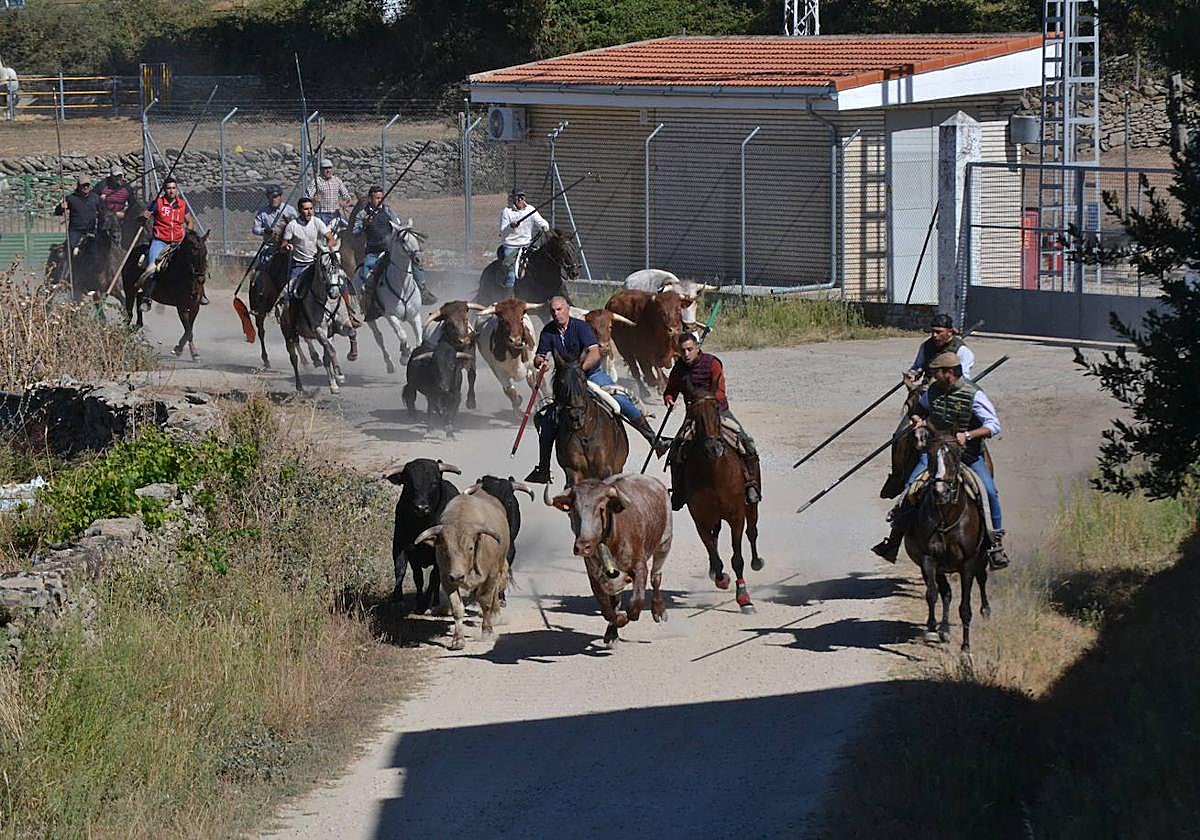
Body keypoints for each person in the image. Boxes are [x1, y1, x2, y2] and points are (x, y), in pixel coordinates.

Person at [871, 351, 1009, 569]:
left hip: (967, 454)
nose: (933, 377)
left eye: (937, 372)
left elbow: (993, 425)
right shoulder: (933, 391)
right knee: (910, 488)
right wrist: (919, 421)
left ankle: (996, 545)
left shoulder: (974, 395)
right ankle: (894, 540)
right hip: (934, 453)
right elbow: (918, 409)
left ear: (950, 373)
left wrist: (969, 435)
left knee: (988, 491)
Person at [524, 295, 668, 484]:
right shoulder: (548, 332)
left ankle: (653, 439)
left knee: (619, 401)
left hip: (591, 374)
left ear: (567, 309)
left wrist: (578, 371)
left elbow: (594, 352)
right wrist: (540, 362)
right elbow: (539, 356)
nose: (556, 313)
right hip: (565, 380)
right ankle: (543, 468)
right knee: (549, 419)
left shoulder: (581, 327)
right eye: (553, 311)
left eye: (559, 309)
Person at [663, 332, 762, 510]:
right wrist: (669, 398)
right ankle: (679, 491)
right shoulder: (678, 369)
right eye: (683, 350)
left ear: (697, 348)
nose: (686, 354)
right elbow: (671, 390)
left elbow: (721, 391)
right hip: (693, 416)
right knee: (676, 450)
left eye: (690, 349)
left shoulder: (713, 363)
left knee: (746, 443)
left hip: (719, 412)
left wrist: (705, 402)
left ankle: (750, 484)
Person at [281, 197, 336, 293]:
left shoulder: (317, 222)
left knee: (334, 283)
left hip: (315, 264)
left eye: (311, 208)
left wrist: (326, 248)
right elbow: (283, 244)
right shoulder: (292, 226)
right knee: (288, 291)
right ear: (299, 210)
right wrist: (287, 246)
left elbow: (331, 238)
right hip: (298, 265)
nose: (309, 212)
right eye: (306, 209)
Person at [904, 313, 975, 386]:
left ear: (950, 332)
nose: (934, 335)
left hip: (947, 390)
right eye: (933, 331)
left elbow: (963, 378)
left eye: (939, 332)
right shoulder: (926, 346)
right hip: (927, 388)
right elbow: (918, 366)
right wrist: (913, 374)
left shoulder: (962, 350)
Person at [499, 189, 549, 289]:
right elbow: (502, 231)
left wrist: (544, 226)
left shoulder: (531, 210)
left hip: (527, 245)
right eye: (518, 197)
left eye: (522, 197)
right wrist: (511, 226)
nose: (520, 199)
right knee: (511, 275)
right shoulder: (506, 212)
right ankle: (508, 295)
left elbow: (542, 222)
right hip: (511, 246)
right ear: (513, 198)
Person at [53, 174, 104, 260]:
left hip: (91, 230)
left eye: (87, 185)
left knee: (96, 251)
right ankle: (66, 270)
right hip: (75, 231)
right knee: (70, 250)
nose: (86, 187)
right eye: (83, 185)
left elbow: (103, 212)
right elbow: (57, 212)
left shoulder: (95, 198)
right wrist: (61, 207)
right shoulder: (71, 198)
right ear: (78, 186)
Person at [252, 186, 296, 269]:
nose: (273, 199)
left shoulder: (289, 210)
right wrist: (264, 231)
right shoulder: (262, 212)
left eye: (276, 197)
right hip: (270, 247)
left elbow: (298, 226)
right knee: (262, 269)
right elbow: (255, 229)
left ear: (280, 197)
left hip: (286, 247)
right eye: (271, 197)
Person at [308, 158, 353, 225]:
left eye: (329, 168)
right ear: (321, 169)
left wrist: (345, 201)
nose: (328, 170)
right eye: (325, 168)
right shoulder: (316, 182)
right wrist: (314, 199)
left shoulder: (337, 180)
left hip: (335, 214)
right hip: (321, 214)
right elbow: (306, 198)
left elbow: (346, 195)